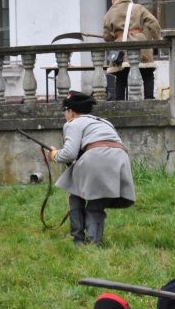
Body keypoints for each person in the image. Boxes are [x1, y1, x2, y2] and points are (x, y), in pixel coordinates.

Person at [48, 92, 135, 245]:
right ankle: (94, 242)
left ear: (71, 111)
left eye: (64, 110)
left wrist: (54, 155)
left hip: (96, 158)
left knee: (75, 194)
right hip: (119, 160)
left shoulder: (73, 123)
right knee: (97, 203)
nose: (64, 114)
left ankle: (78, 240)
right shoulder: (105, 122)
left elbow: (69, 153)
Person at [103, 0, 161, 101]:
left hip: (121, 46)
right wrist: (156, 39)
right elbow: (153, 23)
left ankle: (120, 102)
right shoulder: (138, 8)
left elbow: (107, 36)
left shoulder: (110, 13)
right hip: (141, 43)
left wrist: (115, 36)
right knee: (147, 73)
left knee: (121, 77)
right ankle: (149, 100)